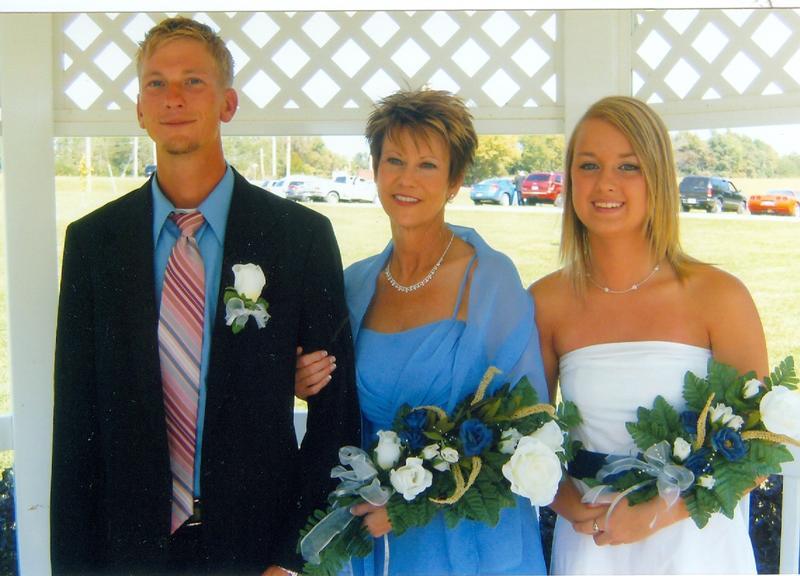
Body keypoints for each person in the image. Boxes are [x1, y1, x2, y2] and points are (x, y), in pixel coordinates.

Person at [50, 16, 360, 576]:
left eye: (193, 81)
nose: (173, 97)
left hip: (257, 550)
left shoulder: (299, 237)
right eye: (156, 83)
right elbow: (75, 422)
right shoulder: (93, 243)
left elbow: (334, 417)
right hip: (130, 554)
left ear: (228, 103)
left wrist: (294, 557)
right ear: (140, 109)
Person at [294, 89, 548, 575]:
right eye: (394, 161)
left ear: (455, 181)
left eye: (427, 165)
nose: (406, 179)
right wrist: (303, 380)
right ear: (375, 169)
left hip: (467, 539)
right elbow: (337, 406)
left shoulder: (490, 280)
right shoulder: (354, 285)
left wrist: (414, 505)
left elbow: (526, 423)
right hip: (374, 537)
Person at [530, 95, 765, 574]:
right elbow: (524, 434)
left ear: (657, 176)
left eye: (629, 166)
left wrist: (659, 512)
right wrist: (566, 501)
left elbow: (760, 448)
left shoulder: (720, 296)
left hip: (696, 548)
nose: (605, 183)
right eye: (589, 165)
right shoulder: (544, 302)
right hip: (593, 545)